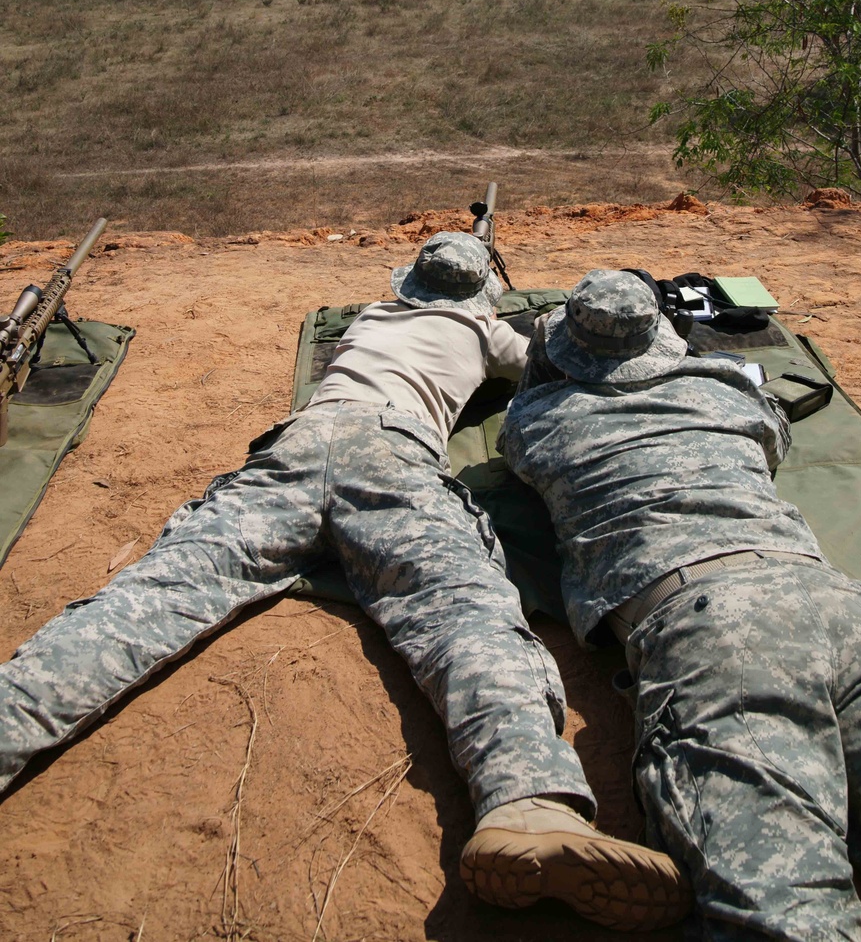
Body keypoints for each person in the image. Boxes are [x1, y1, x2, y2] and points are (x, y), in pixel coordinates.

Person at [0, 235, 689, 932]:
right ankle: (528, 801)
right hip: (393, 455)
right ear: (482, 295)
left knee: (153, 598)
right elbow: (547, 364)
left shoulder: (372, 318)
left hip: (297, 445)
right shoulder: (485, 330)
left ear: (411, 285)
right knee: (463, 613)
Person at [499, 268, 861, 942]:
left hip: (713, 632)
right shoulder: (724, 389)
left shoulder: (535, 420)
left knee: (778, 908)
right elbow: (772, 441)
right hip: (841, 606)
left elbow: (518, 444)